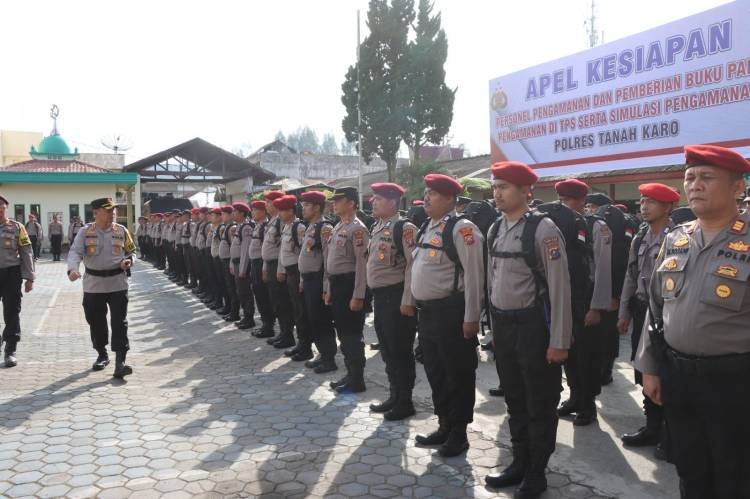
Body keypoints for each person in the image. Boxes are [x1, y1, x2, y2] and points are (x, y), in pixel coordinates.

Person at [637, 144, 750, 498]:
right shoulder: (676, 238)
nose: (695, 185)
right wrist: (650, 368)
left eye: (707, 177)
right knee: (689, 467)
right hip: (679, 376)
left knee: (734, 472)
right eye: (690, 177)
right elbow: (655, 310)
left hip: (734, 382)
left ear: (737, 188)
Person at [484, 162, 571, 498]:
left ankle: (537, 472)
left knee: (540, 403)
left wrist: (559, 341)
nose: (497, 193)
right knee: (515, 400)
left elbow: (561, 288)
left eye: (504, 187)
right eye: (495, 187)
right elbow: (492, 282)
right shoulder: (495, 228)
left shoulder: (543, 229)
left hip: (535, 328)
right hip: (504, 327)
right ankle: (519, 461)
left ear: (525, 191)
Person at [411, 174, 484, 458]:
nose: (426, 198)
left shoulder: (462, 229)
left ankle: (459, 433)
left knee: (458, 374)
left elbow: (476, 277)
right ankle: (444, 424)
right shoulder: (426, 227)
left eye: (434, 193)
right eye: (426, 192)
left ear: (451, 199)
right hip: (427, 314)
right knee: (436, 372)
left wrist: (472, 317)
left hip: (452, 314)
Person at [617, 183, 679, 459]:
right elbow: (631, 276)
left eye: (651, 202)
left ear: (668, 207)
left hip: (669, 316)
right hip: (643, 310)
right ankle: (652, 427)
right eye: (642, 201)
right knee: (644, 371)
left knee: (667, 374)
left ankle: (671, 434)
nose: (644, 206)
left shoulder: (678, 237)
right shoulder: (640, 237)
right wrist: (624, 313)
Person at [555, 179, 612, 426]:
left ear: (581, 202)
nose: (563, 205)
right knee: (569, 354)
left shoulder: (597, 227)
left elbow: (602, 269)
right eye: (560, 201)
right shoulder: (557, 225)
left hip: (586, 301)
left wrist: (596, 306)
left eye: (567, 200)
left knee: (587, 357)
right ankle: (575, 397)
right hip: (565, 300)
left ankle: (587, 405)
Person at [67, 197, 136, 378]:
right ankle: (102, 353)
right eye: (108, 210)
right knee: (95, 321)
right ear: (96, 212)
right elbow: (75, 252)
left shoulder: (122, 231)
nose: (113, 213)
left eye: (114, 210)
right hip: (94, 284)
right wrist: (73, 269)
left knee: (119, 322)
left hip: (117, 283)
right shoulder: (85, 232)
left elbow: (131, 251)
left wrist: (129, 260)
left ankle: (120, 361)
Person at [367, 182, 419, 421]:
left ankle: (405, 401)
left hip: (397, 297)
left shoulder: (404, 228)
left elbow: (412, 266)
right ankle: (394, 394)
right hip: (381, 298)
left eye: (378, 198)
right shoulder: (378, 227)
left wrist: (408, 299)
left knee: (400, 351)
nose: (373, 202)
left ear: (392, 202)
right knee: (387, 350)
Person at [324, 187, 370, 394]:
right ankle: (350, 373)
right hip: (337, 285)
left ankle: (357, 379)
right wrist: (328, 288)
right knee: (343, 333)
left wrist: (358, 295)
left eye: (339, 200)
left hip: (350, 285)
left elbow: (362, 265)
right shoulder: (338, 227)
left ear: (351, 203)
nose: (334, 203)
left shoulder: (357, 229)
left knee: (352, 334)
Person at [297, 191, 337, 373]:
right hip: (309, 280)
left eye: (306, 205)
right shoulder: (310, 226)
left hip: (319, 281)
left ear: (316, 207)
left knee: (322, 320)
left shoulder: (325, 227)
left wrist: (326, 286)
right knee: (313, 319)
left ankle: (329, 358)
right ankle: (322, 354)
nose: (303, 208)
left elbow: (328, 260)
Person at [0, 194, 35, 368]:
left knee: (11, 311)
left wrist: (29, 277)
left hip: (11, 274)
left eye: (1, 206)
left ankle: (10, 349)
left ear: (6, 207)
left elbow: (27, 252)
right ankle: (4, 336)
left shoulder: (17, 227)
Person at [276, 195, 311, 359]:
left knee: (301, 311)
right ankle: (300, 343)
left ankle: (305, 346)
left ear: (291, 211)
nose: (279, 213)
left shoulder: (299, 228)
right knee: (295, 309)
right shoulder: (286, 227)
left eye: (282, 210)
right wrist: (281, 269)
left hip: (297, 273)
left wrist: (302, 278)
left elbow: (304, 255)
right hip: (289, 272)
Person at [262, 191, 295, 348]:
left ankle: (287, 334)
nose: (266, 205)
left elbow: (283, 247)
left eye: (269, 202)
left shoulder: (281, 222)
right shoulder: (272, 221)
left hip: (278, 265)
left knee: (283, 302)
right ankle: (282, 332)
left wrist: (280, 268)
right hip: (271, 264)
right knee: (276, 301)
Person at [248, 200, 276, 338]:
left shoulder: (265, 226)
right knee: (258, 295)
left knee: (264, 296)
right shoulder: (258, 226)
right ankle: (265, 324)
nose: (252, 212)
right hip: (255, 263)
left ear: (263, 212)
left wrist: (264, 267)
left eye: (255, 210)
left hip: (262, 263)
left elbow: (267, 249)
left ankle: (268, 326)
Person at [231, 202, 256, 330]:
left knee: (245, 292)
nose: (233, 213)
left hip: (242, 265)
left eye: (235, 211)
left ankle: (249, 318)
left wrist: (242, 269)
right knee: (240, 292)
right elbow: (234, 247)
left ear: (242, 213)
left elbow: (245, 250)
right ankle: (245, 317)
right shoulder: (239, 227)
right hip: (236, 263)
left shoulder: (246, 228)